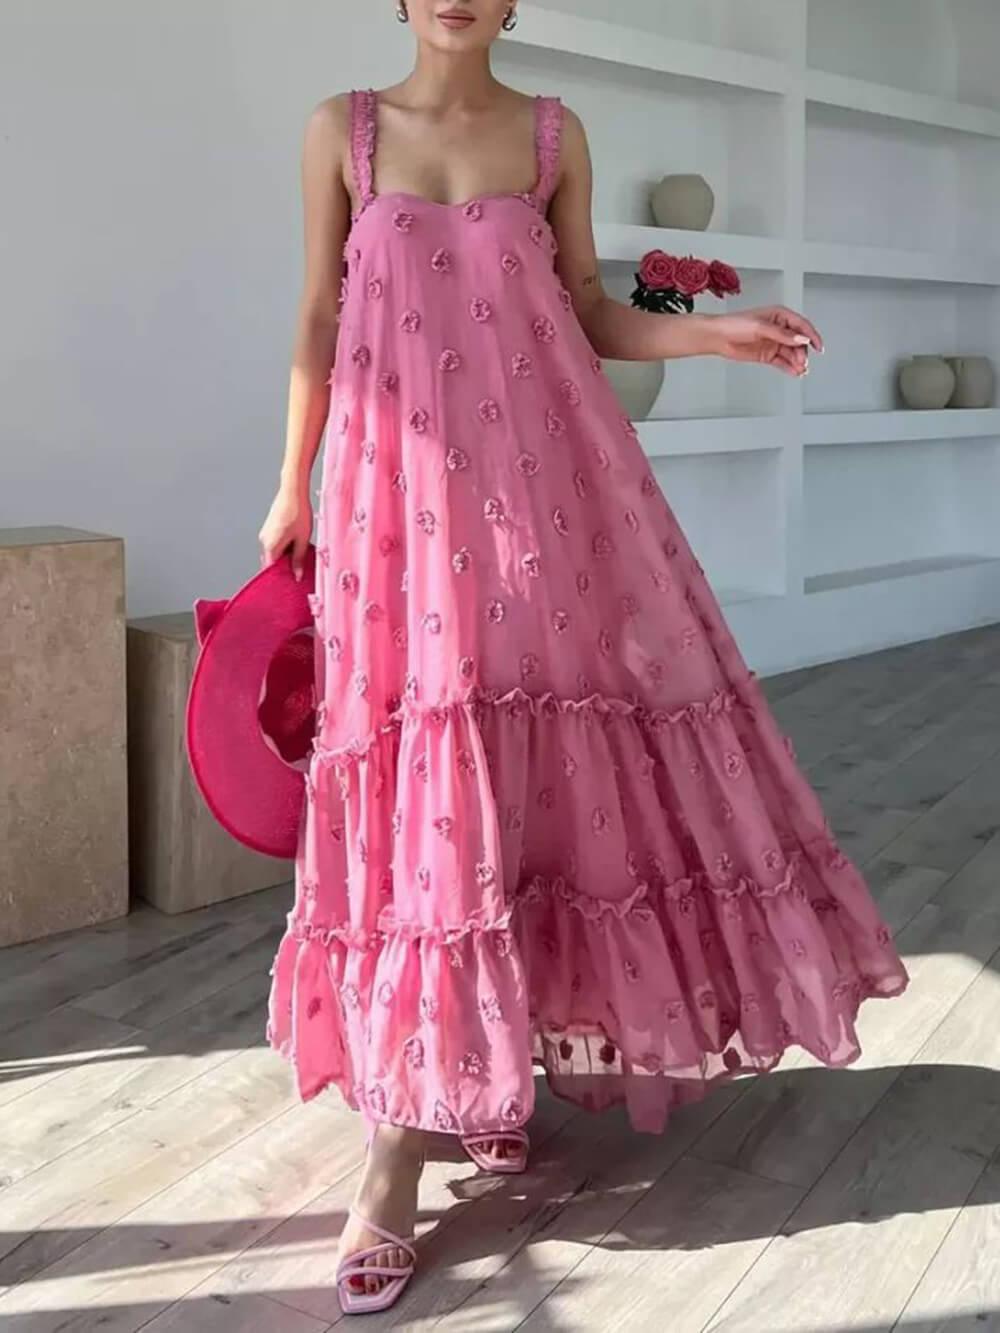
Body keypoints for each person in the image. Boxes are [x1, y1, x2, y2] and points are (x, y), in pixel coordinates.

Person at [258, 0, 908, 1314]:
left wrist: (714, 331)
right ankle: (397, 1150)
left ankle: (493, 1066)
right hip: (395, 505)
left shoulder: (555, 136)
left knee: (542, 783)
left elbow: (592, 311)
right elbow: (321, 313)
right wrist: (290, 486)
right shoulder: (344, 131)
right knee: (431, 793)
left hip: (543, 499)